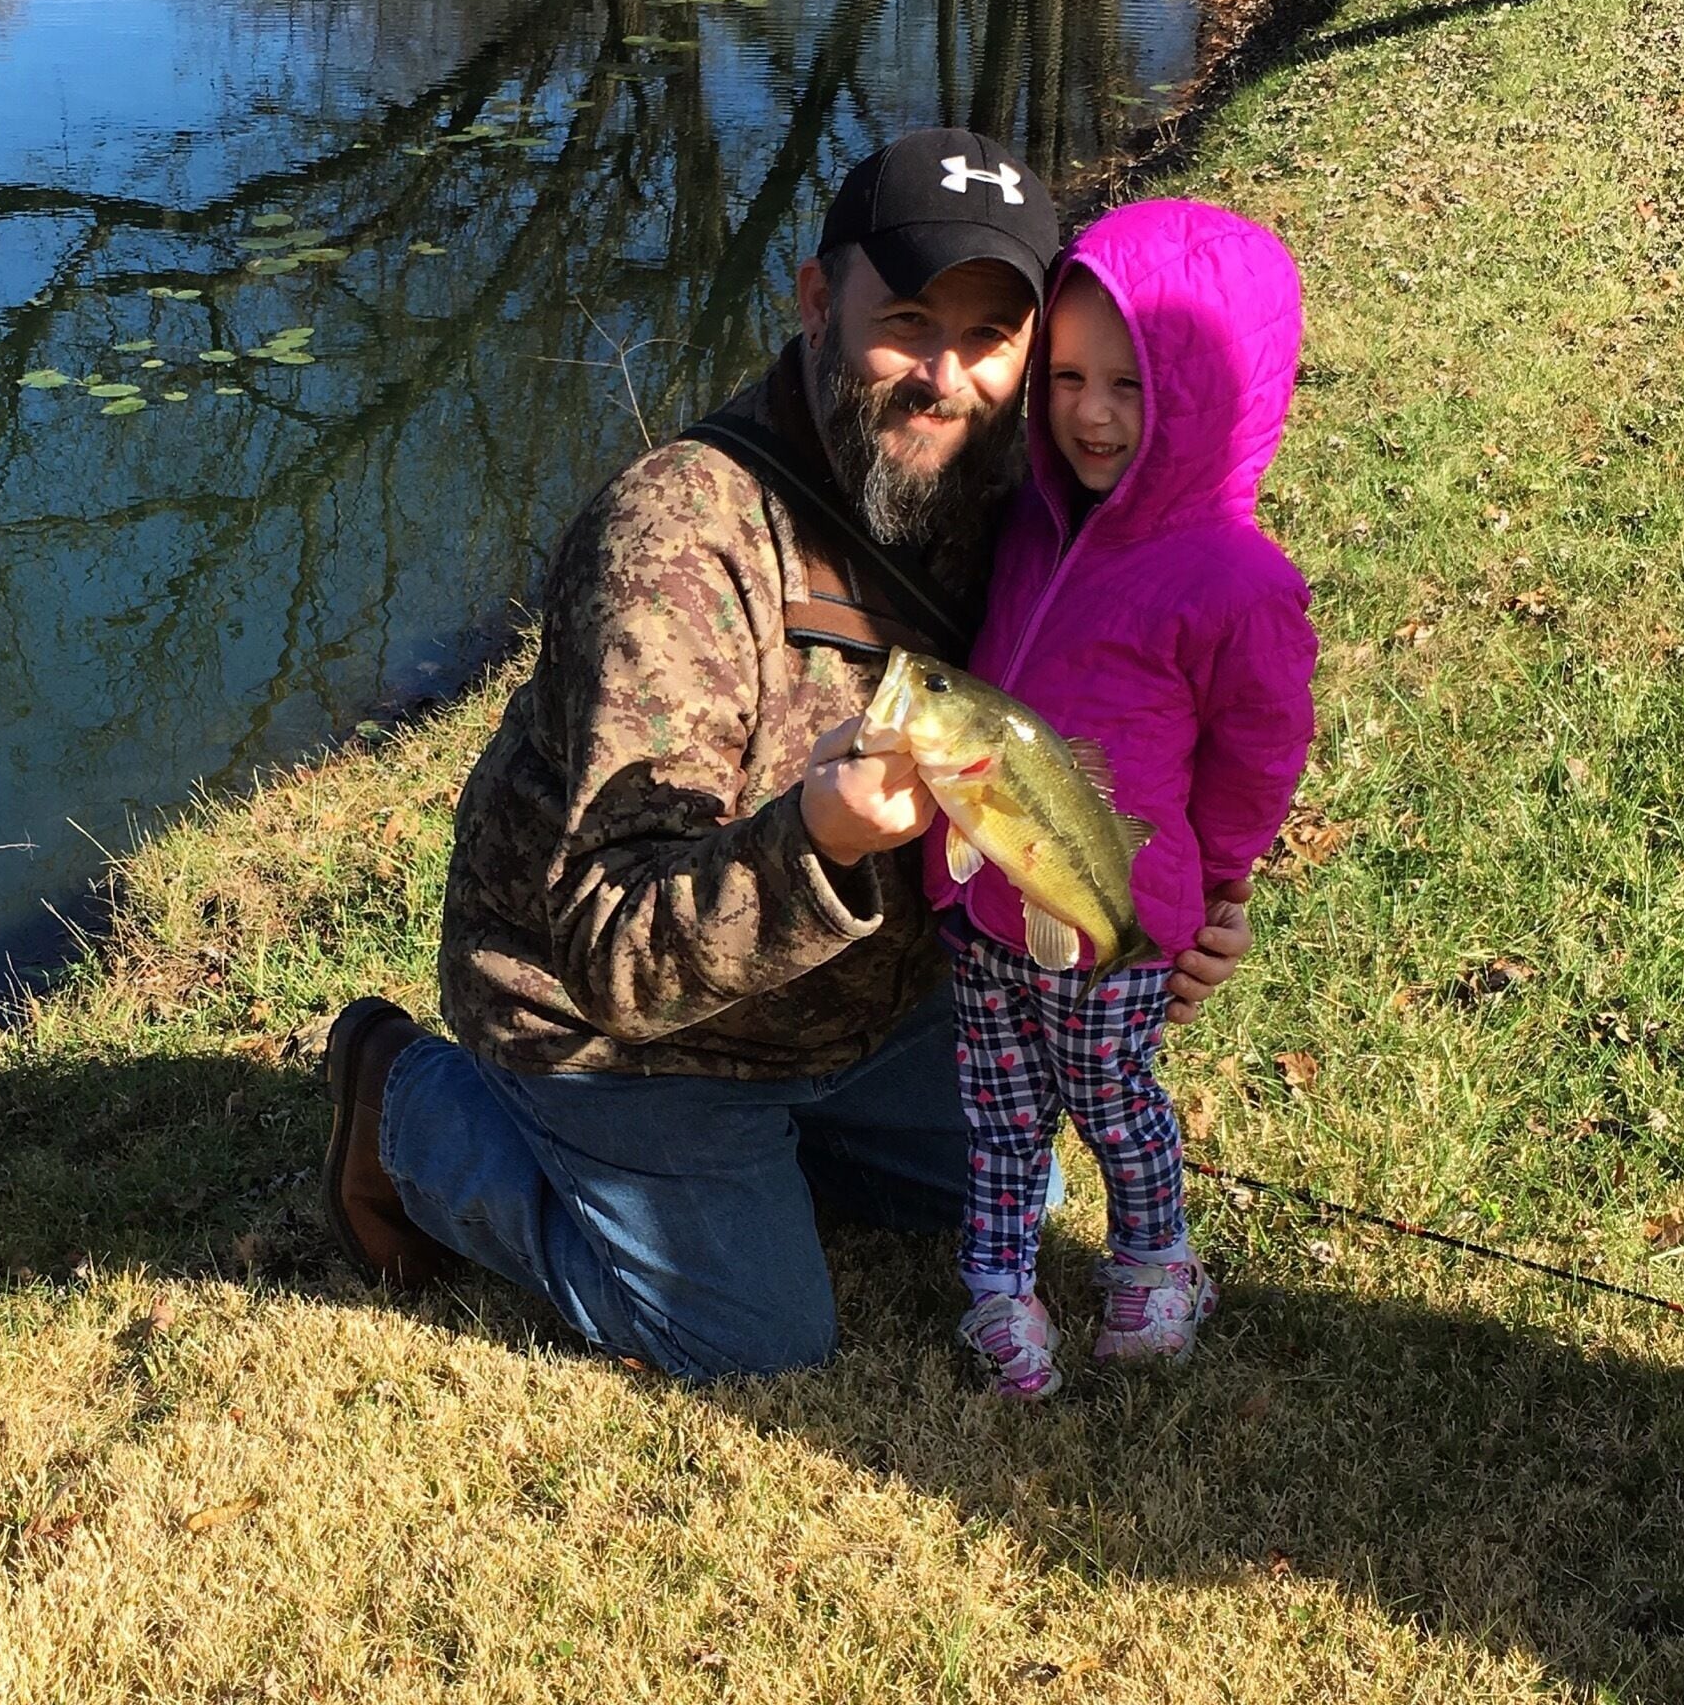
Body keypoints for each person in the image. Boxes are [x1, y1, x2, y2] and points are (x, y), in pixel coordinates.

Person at [319, 129, 1256, 1381]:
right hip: (619, 1029)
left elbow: (1146, 724)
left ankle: (794, 1154)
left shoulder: (1018, 508)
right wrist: (819, 843)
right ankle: (408, 1114)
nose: (945, 375)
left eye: (990, 338)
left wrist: (1188, 900)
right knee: (752, 1336)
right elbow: (616, 960)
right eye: (909, 318)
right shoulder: (677, 542)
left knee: (1016, 1202)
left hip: (855, 1016)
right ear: (816, 300)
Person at [942, 199, 1317, 1398]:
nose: (1091, 415)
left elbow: (1262, 754)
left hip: (1117, 920)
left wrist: (1220, 885)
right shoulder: (1034, 524)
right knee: (999, 1116)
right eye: (1067, 377)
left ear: (1212, 404)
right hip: (981, 908)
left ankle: (1157, 1259)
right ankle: (999, 1285)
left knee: (1115, 1102)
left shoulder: (1235, 581)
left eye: (1132, 388)